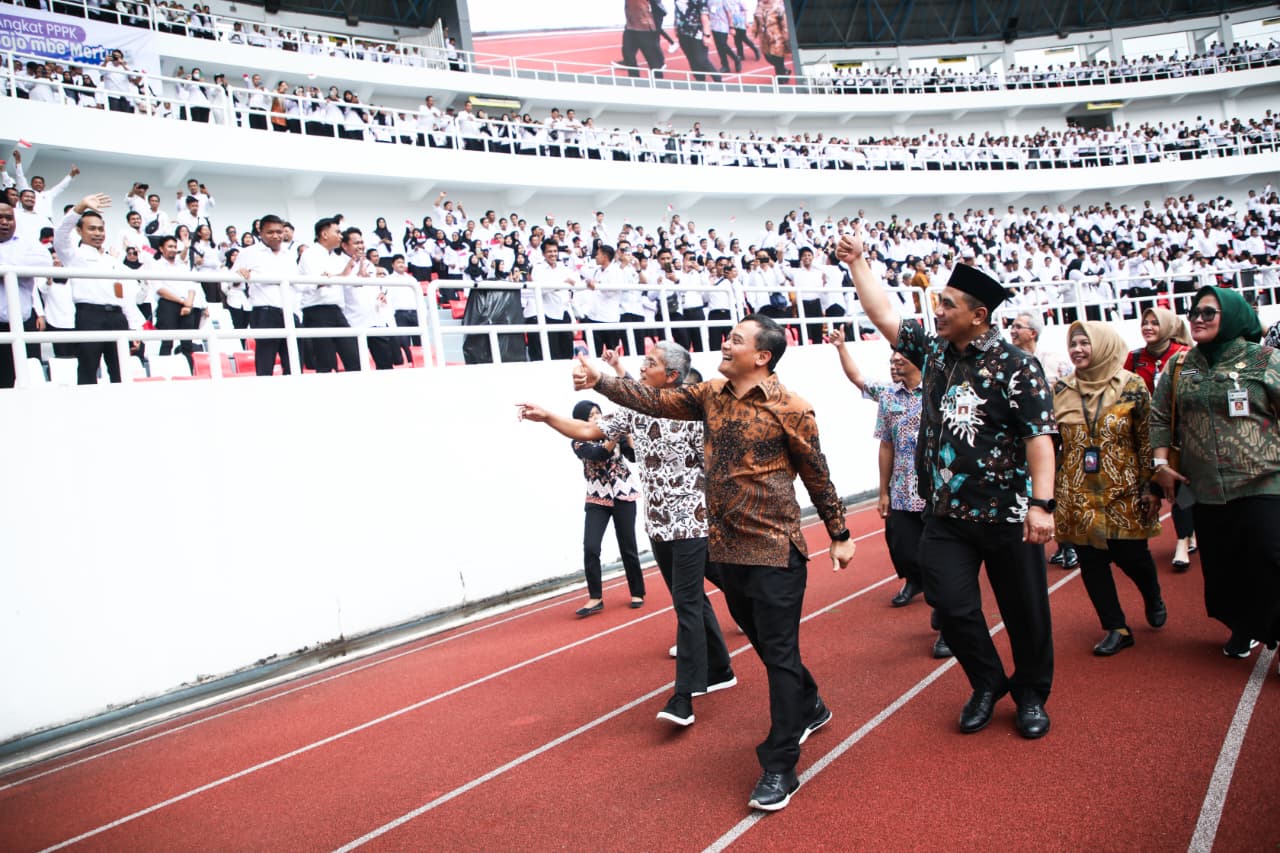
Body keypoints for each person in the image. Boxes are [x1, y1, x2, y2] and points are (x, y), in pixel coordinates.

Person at [573, 313, 856, 812]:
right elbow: (653, 400)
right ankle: (811, 704)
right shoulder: (709, 397)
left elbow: (818, 474)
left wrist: (839, 533)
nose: (725, 345)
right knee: (772, 647)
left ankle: (779, 765)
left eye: (736, 340)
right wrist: (601, 379)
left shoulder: (793, 409)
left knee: (780, 652)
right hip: (726, 551)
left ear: (762, 356)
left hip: (774, 550)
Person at [839, 228, 1058, 740]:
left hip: (1006, 514)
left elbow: (1039, 439)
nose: (937, 310)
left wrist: (1042, 505)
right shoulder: (935, 352)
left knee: (1025, 612)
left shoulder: (1017, 367)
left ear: (978, 315)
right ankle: (986, 683)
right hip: (945, 515)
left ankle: (1030, 694)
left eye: (948, 304)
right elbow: (884, 316)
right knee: (951, 606)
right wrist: (858, 263)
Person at [519, 341, 735, 726]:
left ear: (671, 376)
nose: (641, 366)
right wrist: (548, 416)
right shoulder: (634, 409)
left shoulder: (695, 410)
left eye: (649, 363)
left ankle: (684, 696)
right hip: (657, 524)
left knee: (686, 606)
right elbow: (589, 429)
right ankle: (720, 669)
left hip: (692, 523)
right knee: (693, 599)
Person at [1151, 286, 1280, 664]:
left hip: (1264, 480)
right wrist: (1160, 464)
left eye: (1209, 312)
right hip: (1203, 487)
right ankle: (1246, 625)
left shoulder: (1265, 360)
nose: (1198, 318)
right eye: (1193, 312)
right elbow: (1159, 416)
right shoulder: (1180, 365)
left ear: (1235, 316)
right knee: (1225, 566)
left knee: (1272, 556)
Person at [829, 328, 950, 658]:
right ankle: (916, 581)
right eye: (892, 358)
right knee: (904, 548)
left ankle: (947, 622)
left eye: (901, 357)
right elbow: (886, 444)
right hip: (901, 492)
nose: (895, 362)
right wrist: (882, 491)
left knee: (939, 559)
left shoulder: (940, 391)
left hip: (936, 492)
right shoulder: (888, 395)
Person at [1053, 321, 1167, 656]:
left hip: (1124, 490)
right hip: (1077, 494)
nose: (1078, 350)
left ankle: (1152, 594)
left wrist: (1151, 487)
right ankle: (1115, 626)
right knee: (1091, 563)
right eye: (1073, 344)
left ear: (1101, 344)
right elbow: (1054, 444)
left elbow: (1146, 440)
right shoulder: (1061, 389)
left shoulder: (1131, 385)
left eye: (1085, 343)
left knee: (1133, 557)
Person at [1123, 307, 1196, 571]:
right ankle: (1186, 533)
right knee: (1152, 487)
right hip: (1145, 433)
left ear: (1167, 326)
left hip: (1177, 433)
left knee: (1178, 487)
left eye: (1155, 323)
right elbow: (1124, 390)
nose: (1149, 327)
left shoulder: (1184, 355)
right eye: (1145, 322)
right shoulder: (1134, 358)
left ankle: (1181, 540)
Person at [560, 400, 645, 615]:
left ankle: (637, 592)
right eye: (590, 415)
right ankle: (595, 598)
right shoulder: (578, 441)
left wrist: (627, 433)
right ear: (580, 420)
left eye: (598, 412)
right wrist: (616, 435)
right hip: (597, 498)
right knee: (590, 547)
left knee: (628, 546)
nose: (596, 417)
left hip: (623, 494)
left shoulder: (615, 431)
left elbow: (634, 457)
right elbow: (599, 454)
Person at [1008, 310, 1077, 570]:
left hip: (1054, 438)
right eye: (1012, 326)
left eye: (1017, 326)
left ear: (1032, 332)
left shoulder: (1053, 360)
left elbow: (1073, 386)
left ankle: (1068, 546)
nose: (1012, 331)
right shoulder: (1010, 362)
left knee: (1055, 489)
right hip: (1024, 440)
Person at [54, 193, 131, 385]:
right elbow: (60, 235)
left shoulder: (110, 260)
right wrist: (79, 207)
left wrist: (131, 322)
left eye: (100, 229)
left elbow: (122, 294)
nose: (98, 233)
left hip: (117, 316)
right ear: (79, 231)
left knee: (120, 370)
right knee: (88, 368)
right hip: (90, 316)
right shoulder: (74, 255)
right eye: (92, 229)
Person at [234, 214, 296, 376]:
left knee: (294, 361)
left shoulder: (289, 254)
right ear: (260, 233)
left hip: (290, 311)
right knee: (265, 362)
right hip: (264, 312)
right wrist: (239, 275)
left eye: (279, 231)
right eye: (270, 232)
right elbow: (231, 283)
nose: (276, 236)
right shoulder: (248, 253)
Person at [0, 201, 52, 388]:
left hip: (22, 324)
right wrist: (19, 267)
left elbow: (45, 263)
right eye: (0, 218)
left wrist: (5, 267)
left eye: (9, 218)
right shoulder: (24, 251)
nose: (4, 222)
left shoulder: (27, 242)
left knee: (24, 381)